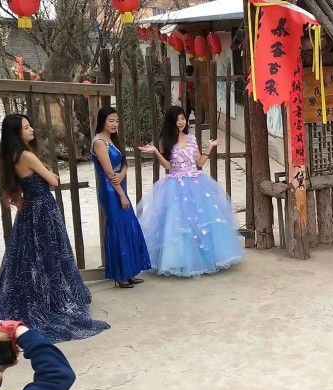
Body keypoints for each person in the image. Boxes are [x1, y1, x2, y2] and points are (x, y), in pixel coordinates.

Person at [0, 114, 109, 343]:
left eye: (30, 126)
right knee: (50, 255)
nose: (32, 130)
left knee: (30, 258)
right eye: (26, 128)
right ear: (16, 133)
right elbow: (54, 181)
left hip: (29, 210)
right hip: (44, 208)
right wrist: (50, 173)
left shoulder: (11, 157)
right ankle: (51, 300)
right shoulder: (27, 155)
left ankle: (40, 294)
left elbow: (18, 190)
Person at [136, 106, 244, 277]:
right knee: (178, 224)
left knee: (202, 221)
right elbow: (168, 166)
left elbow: (199, 163)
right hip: (175, 185)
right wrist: (156, 151)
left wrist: (210, 147)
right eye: (177, 119)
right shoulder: (166, 140)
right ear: (171, 121)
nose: (181, 122)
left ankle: (206, 259)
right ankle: (180, 261)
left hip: (197, 183)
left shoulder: (192, 139)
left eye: (183, 118)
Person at [92, 106, 151, 288]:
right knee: (117, 229)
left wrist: (123, 173)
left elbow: (123, 164)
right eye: (111, 121)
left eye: (117, 121)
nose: (114, 124)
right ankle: (119, 274)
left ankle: (129, 271)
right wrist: (122, 196)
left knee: (128, 226)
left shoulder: (112, 140)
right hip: (111, 191)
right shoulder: (99, 142)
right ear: (102, 121)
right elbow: (109, 173)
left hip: (119, 187)